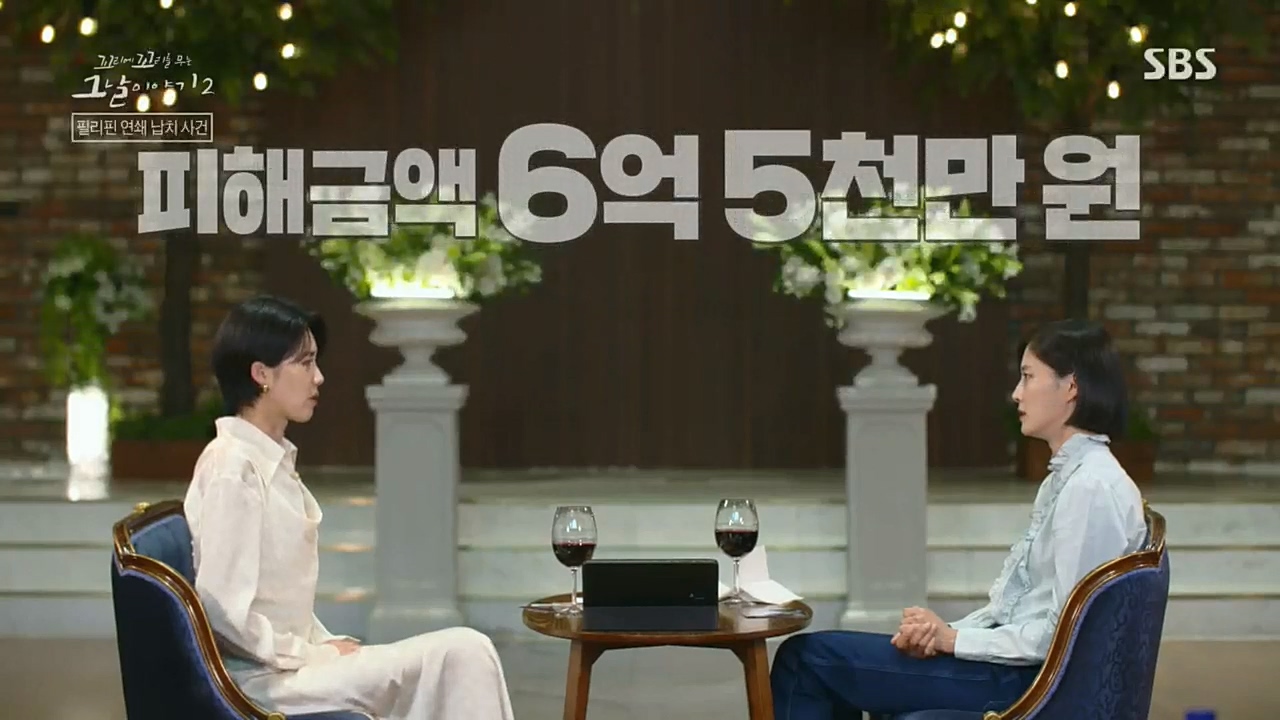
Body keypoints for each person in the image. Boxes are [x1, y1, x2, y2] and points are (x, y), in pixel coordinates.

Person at [770, 318, 1148, 719]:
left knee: (805, 660)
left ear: (1070, 386)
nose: (1016, 393)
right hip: (1011, 667)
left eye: (1028, 377)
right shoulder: (1073, 475)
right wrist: (946, 632)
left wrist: (953, 641)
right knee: (826, 659)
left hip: (1024, 684)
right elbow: (1019, 611)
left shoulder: (1090, 489)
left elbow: (1063, 637)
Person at [185, 295, 517, 720]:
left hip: (293, 666)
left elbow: (280, 608)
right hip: (265, 682)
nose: (319, 377)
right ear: (261, 374)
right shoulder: (233, 465)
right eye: (306, 363)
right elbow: (221, 611)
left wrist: (323, 644)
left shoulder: (270, 459)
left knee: (465, 653)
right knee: (464, 652)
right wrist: (313, 654)